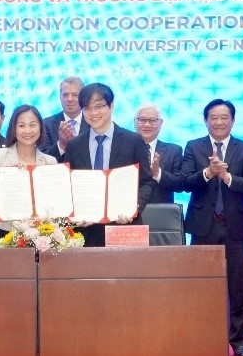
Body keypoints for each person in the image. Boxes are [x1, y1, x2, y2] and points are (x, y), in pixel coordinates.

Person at [181, 98, 243, 356]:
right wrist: (208, 172)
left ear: (233, 120)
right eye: (213, 117)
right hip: (204, 228)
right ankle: (205, 338)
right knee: (202, 288)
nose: (219, 122)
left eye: (224, 117)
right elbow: (185, 182)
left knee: (239, 288)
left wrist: (227, 177)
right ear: (205, 121)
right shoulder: (193, 147)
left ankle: (240, 341)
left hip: (238, 228)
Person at [55, 83, 153, 247]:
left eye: (99, 106)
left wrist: (133, 207)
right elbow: (67, 186)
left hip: (124, 228)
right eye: (87, 108)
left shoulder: (133, 140)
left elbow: (147, 182)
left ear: (111, 106)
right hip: (85, 233)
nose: (93, 113)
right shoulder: (74, 145)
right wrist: (74, 214)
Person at [0, 104, 57, 244]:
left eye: (32, 125)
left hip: (38, 233)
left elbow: (56, 203)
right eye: (21, 125)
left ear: (40, 128)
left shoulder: (50, 162)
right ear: (14, 129)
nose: (27, 130)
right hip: (0, 231)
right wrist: (6, 177)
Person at [133, 103, 183, 204]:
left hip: (161, 214)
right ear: (135, 122)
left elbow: (180, 185)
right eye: (142, 120)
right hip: (128, 214)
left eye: (152, 120)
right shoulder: (124, 148)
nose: (147, 124)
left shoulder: (174, 151)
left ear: (161, 123)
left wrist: (158, 173)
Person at [42, 76, 87, 154]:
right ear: (60, 97)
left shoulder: (92, 123)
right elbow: (43, 159)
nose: (69, 99)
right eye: (65, 95)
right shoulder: (46, 124)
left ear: (83, 97)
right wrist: (61, 145)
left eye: (75, 95)